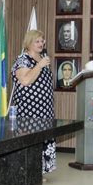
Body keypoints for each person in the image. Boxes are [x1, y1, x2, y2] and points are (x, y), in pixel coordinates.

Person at [11, 30, 56, 176]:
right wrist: (39, 66)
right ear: (29, 42)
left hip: (45, 109)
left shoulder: (42, 58)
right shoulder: (23, 59)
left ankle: (40, 171)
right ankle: (29, 172)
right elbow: (25, 81)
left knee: (43, 139)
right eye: (37, 41)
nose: (41, 43)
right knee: (30, 140)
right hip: (29, 110)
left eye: (42, 41)